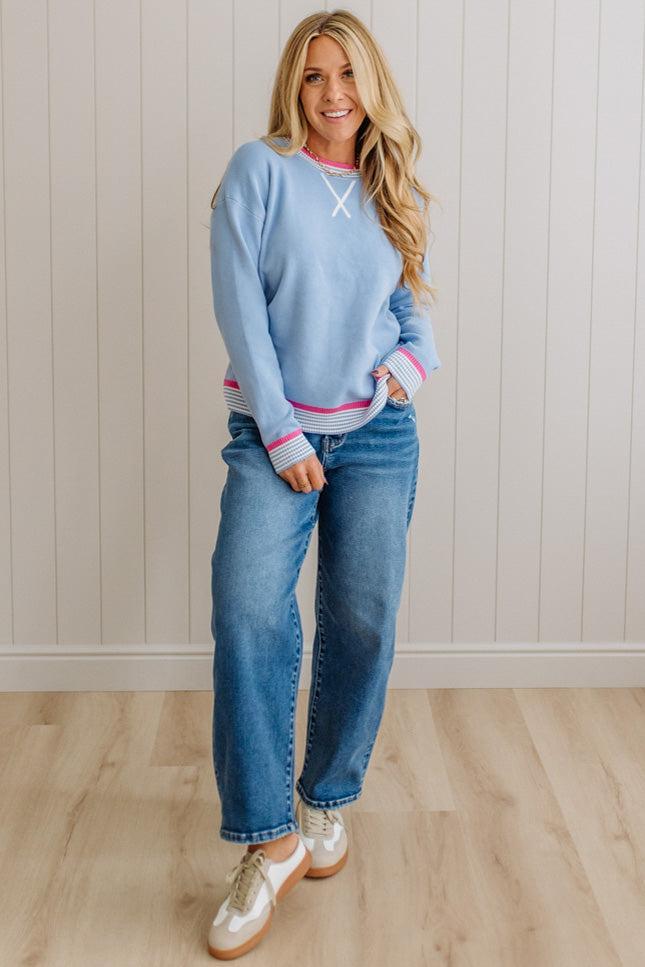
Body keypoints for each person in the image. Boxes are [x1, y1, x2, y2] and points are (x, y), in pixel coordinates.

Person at [207, 8, 441, 960]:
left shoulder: (392, 190)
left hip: (379, 438)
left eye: (347, 74)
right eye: (314, 76)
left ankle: (325, 802)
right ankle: (268, 840)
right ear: (292, 88)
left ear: (370, 85)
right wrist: (282, 428)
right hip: (278, 436)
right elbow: (239, 310)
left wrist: (405, 373)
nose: (333, 93)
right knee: (248, 611)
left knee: (362, 619)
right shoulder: (258, 172)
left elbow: (408, 316)